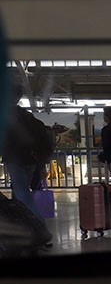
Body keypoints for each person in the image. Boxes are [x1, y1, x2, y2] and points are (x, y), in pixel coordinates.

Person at [0, 85, 52, 222]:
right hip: (32, 159)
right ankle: (20, 225)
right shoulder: (26, 114)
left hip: (16, 159)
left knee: (23, 194)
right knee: (18, 194)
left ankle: (40, 228)